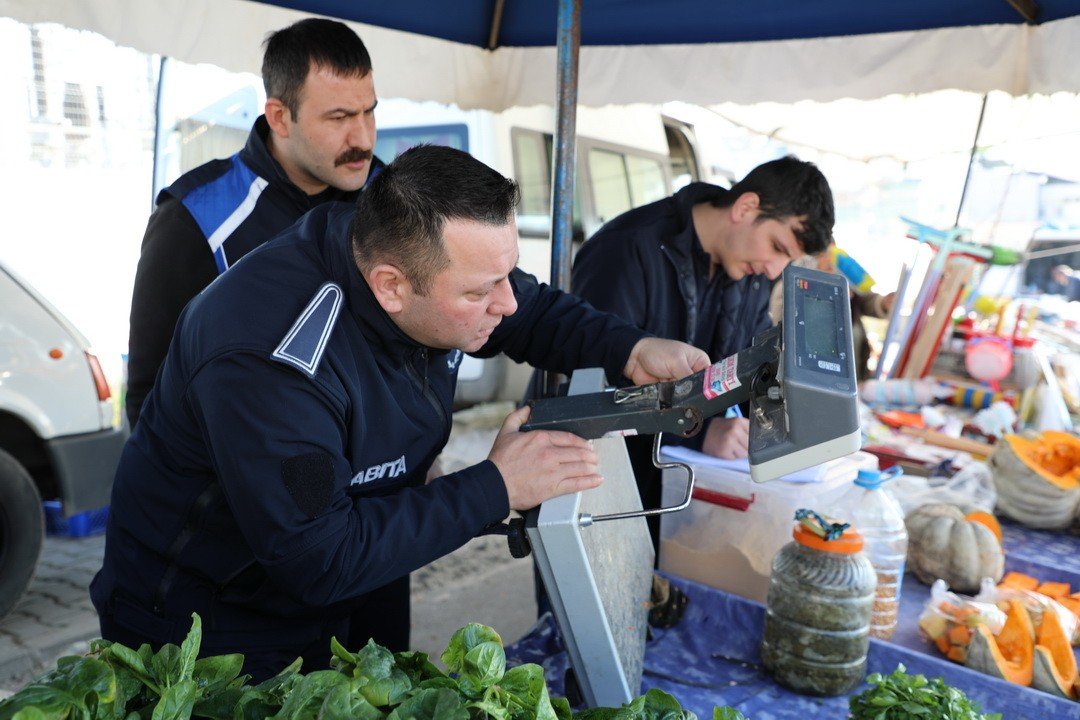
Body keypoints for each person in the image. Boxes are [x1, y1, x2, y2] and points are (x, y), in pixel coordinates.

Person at [91, 145, 709, 682]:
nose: (507, 302)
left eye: (505, 275)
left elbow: (534, 311)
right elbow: (319, 558)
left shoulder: (408, 256)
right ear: (391, 286)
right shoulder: (266, 356)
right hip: (211, 625)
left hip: (359, 567)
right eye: (478, 292)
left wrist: (629, 348)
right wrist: (497, 484)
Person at [125, 18, 383, 429]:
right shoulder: (196, 215)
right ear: (280, 117)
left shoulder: (394, 200)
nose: (364, 139)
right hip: (249, 482)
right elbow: (151, 395)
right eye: (339, 118)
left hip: (384, 480)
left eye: (369, 112)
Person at [568, 155, 834, 547]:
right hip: (600, 490)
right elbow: (591, 392)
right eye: (777, 247)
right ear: (745, 208)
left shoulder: (747, 268)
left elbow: (751, 363)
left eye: (787, 259)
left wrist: (784, 416)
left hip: (679, 494)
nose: (774, 270)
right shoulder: (627, 249)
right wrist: (699, 434)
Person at [769, 248, 895, 382]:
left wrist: (883, 303)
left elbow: (866, 300)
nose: (831, 262)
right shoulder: (789, 285)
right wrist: (822, 292)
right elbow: (786, 326)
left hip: (852, 375)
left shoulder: (842, 287)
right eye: (824, 255)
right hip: (814, 377)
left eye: (833, 255)